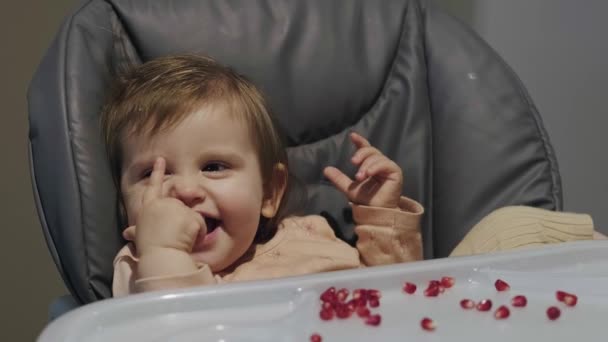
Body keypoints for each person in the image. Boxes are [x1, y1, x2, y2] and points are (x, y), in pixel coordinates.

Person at [103, 54, 604, 297]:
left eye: (214, 166)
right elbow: (167, 329)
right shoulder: (142, 266)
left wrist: (381, 217)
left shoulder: (311, 236)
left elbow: (403, 289)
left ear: (271, 193)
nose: (186, 190)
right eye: (152, 173)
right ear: (126, 203)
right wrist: (163, 250)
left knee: (512, 228)